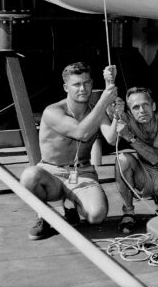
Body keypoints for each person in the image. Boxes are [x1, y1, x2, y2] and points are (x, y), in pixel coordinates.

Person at [19, 62, 117, 240]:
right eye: (76, 84)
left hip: (82, 172)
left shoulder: (96, 110)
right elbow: (82, 133)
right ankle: (47, 215)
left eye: (87, 83)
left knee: (97, 216)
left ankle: (70, 207)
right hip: (52, 172)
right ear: (66, 87)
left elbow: (112, 138)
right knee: (29, 176)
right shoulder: (53, 111)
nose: (83, 88)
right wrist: (104, 101)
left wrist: (117, 114)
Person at [105, 86, 158, 233]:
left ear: (153, 106)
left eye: (145, 105)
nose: (142, 110)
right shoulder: (128, 118)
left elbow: (155, 157)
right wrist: (115, 114)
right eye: (136, 107)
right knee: (122, 159)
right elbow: (111, 140)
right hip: (145, 174)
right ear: (130, 111)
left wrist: (130, 137)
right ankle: (128, 211)